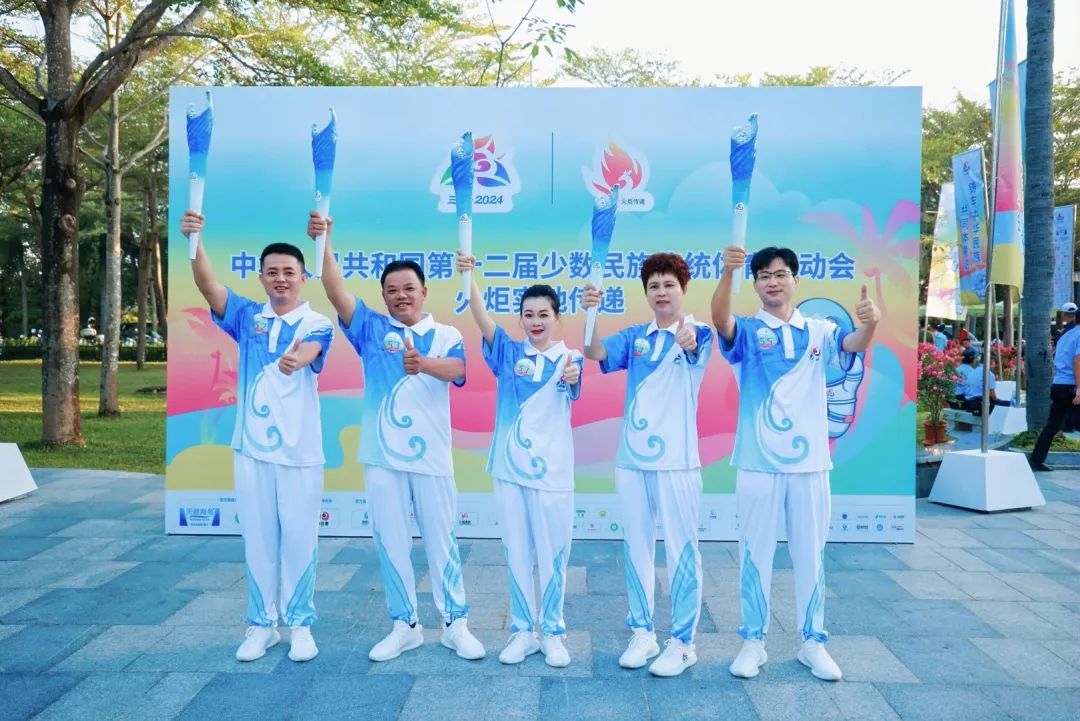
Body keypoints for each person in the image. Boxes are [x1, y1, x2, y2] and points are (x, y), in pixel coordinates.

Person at [305, 212, 485, 662]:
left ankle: (455, 623)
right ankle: (405, 625)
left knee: (441, 539)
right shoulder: (371, 328)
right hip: (382, 456)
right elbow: (334, 290)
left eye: (408, 288)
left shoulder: (444, 334)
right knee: (391, 540)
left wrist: (423, 363)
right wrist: (325, 240)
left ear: (424, 291)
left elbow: (458, 370)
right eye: (392, 290)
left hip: (432, 458)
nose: (401, 295)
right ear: (383, 295)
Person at [712, 246, 879, 682]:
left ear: (795, 280)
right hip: (758, 462)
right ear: (755, 284)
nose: (773, 281)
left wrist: (871, 324)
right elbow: (720, 320)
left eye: (781, 274)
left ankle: (812, 643)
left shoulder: (820, 330)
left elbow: (853, 344)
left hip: (809, 464)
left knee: (811, 553)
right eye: (764, 275)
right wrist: (728, 273)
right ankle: (753, 642)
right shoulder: (748, 331)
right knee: (755, 553)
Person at [181, 210, 333, 664]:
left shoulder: (316, 322)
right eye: (272, 272)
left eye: (289, 271)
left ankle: (301, 624)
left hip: (301, 452)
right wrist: (195, 240)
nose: (280, 278)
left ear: (303, 276)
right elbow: (208, 285)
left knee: (300, 539)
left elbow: (312, 350)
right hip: (251, 449)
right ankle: (262, 625)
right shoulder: (247, 316)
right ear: (262, 277)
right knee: (260, 540)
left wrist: (296, 360)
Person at [581, 252, 713, 678]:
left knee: (681, 550)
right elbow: (594, 351)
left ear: (683, 288)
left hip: (677, 462)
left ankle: (684, 643)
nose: (661, 292)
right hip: (632, 460)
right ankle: (643, 633)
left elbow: (695, 345)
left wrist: (688, 338)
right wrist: (591, 313)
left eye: (669, 284)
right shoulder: (636, 337)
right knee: (637, 546)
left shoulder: (698, 332)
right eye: (653, 286)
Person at [456, 251, 582, 667]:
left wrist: (573, 377)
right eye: (528, 315)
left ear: (557, 318)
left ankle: (553, 633)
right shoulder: (510, 354)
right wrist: (469, 277)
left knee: (552, 555)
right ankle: (523, 632)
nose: (535, 321)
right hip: (510, 469)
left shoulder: (570, 360)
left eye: (543, 314)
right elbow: (481, 317)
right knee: (517, 553)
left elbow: (574, 385)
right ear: (521, 319)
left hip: (553, 474)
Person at [1030, 302, 1080, 471]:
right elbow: (1077, 361)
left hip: (1059, 383)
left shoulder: (1065, 335)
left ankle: (1036, 460)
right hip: (1072, 385)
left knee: (1052, 425)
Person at [955, 348, 1001, 414]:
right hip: (964, 401)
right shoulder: (972, 371)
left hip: (953, 400)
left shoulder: (956, 369)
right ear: (974, 360)